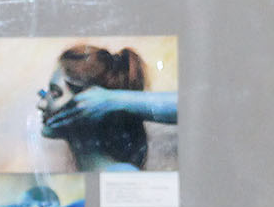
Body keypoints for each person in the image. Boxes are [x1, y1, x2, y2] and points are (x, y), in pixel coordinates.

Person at [36, 43, 177, 172]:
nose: (40, 105)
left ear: (87, 101)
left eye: (55, 93)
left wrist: (112, 100)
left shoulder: (121, 174)